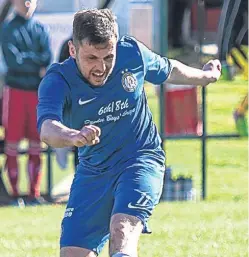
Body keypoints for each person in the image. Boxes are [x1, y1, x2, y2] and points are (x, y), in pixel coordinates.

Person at [37, 8, 221, 257]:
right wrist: (72, 135)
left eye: (108, 57)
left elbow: (169, 70)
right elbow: (47, 128)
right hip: (93, 171)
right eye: (91, 58)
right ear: (73, 50)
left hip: (140, 159)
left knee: (122, 229)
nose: (101, 67)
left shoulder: (132, 53)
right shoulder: (58, 80)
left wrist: (205, 76)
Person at [0, 0, 52, 206]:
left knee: (36, 145)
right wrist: (35, 63)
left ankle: (34, 193)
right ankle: (14, 195)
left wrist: (30, 61)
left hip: (36, 93)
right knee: (12, 144)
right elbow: (14, 61)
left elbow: (46, 57)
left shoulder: (40, 28)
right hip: (15, 92)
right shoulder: (8, 29)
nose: (27, 3)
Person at [217, 0, 248, 136]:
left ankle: (240, 112)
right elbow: (227, 22)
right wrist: (223, 58)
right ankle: (240, 112)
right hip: (237, 48)